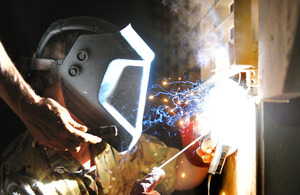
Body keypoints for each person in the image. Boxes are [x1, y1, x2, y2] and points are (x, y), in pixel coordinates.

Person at [0, 17, 212, 194]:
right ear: (76, 76)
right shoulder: (21, 178)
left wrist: (199, 142)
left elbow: (183, 173)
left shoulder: (111, 142)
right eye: (107, 82)